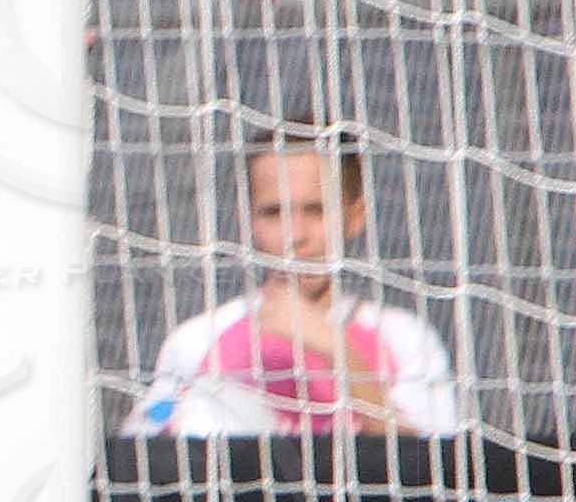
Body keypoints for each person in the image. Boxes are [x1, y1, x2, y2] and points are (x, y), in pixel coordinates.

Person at [140, 123, 459, 439]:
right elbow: (146, 452)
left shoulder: (404, 339)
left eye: (315, 210)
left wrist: (337, 349)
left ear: (355, 216)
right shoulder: (199, 340)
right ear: (250, 220)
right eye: (273, 213)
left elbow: (434, 468)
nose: (295, 236)